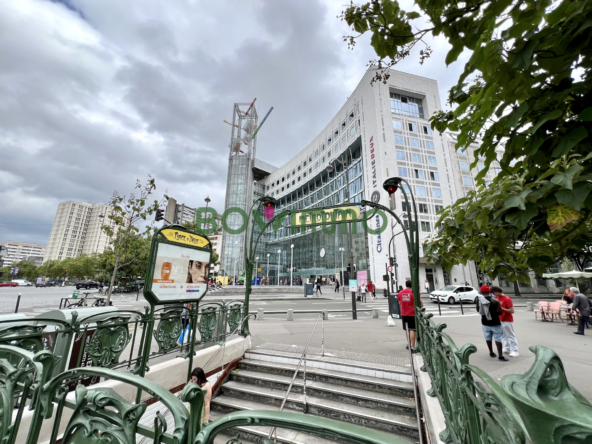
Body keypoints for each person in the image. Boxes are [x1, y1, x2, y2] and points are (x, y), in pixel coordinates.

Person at [476, 285, 508, 362]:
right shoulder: (495, 301)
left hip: (484, 322)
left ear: (481, 292)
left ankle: (491, 352)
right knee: (498, 338)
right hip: (495, 322)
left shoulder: (479, 300)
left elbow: (478, 310)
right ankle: (500, 356)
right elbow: (500, 312)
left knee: (488, 338)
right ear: (489, 292)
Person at [492, 286, 518, 357]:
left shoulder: (507, 299)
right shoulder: (496, 298)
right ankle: (507, 347)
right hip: (500, 319)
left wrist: (501, 308)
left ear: (497, 291)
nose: (493, 294)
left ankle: (514, 350)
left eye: (493, 293)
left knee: (510, 335)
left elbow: (512, 311)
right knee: (504, 335)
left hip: (507, 319)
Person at [398, 280, 422, 350]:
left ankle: (408, 343)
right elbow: (421, 304)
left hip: (404, 313)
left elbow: (399, 303)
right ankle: (412, 346)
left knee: (407, 329)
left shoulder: (400, 292)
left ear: (406, 285)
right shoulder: (414, 293)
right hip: (412, 314)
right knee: (412, 330)